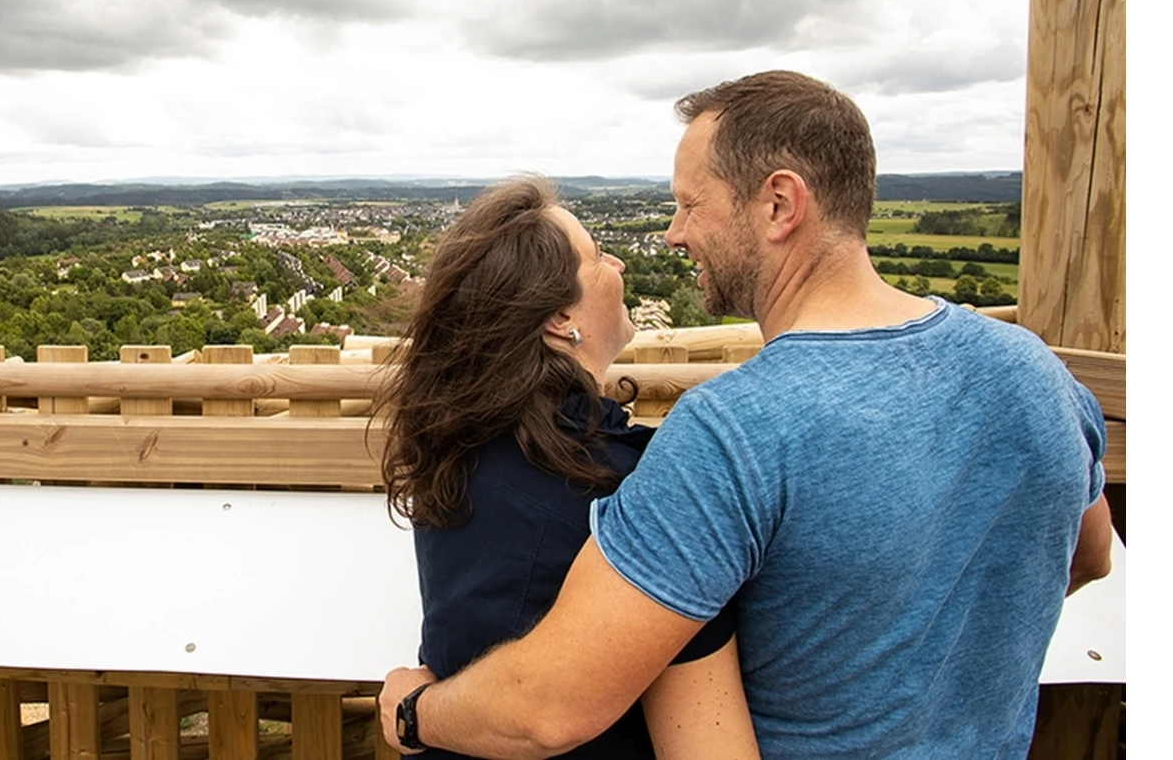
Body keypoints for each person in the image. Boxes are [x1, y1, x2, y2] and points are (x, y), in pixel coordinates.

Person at [379, 71, 1114, 759]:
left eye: (690, 203)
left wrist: (417, 713)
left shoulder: (732, 434)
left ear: (778, 204)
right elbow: (1087, 554)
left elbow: (552, 703)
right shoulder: (1037, 372)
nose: (671, 233)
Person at [375, 176, 759, 759]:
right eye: (598, 255)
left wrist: (415, 715)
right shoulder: (626, 490)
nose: (620, 262)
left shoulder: (451, 451)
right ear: (559, 315)